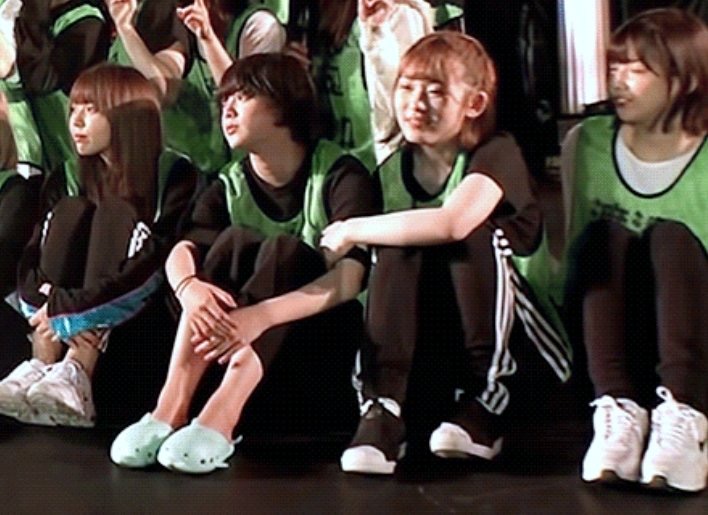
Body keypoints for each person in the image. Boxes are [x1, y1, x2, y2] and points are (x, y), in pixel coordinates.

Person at [110, 52, 379, 474]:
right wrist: (189, 289)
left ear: (285, 104)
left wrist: (260, 316)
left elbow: (349, 280)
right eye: (224, 100)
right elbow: (183, 249)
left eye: (244, 96)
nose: (228, 110)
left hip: (314, 347)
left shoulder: (340, 173)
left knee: (284, 251)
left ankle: (223, 417)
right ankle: (171, 405)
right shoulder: (230, 181)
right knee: (231, 243)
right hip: (227, 343)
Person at [320, 31, 570, 475]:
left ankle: (487, 402)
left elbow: (452, 222)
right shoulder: (389, 170)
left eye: (435, 92)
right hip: (433, 348)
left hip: (518, 350)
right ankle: (383, 408)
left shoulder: (496, 152)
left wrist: (351, 228)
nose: (416, 103)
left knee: (461, 233)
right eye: (407, 88)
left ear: (474, 103)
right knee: (398, 242)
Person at [0, 63, 196, 428]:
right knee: (72, 211)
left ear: (126, 117)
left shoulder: (173, 173)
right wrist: (45, 305)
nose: (75, 121)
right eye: (74, 108)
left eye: (91, 110)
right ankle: (42, 363)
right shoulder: (68, 175)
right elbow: (34, 251)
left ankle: (79, 367)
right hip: (61, 312)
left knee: (113, 214)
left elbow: (151, 265)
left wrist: (70, 309)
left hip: (137, 307)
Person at [561, 8, 708, 493]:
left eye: (637, 70)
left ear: (684, 79)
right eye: (615, 67)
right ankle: (618, 411)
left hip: (694, 337)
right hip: (616, 332)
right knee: (603, 237)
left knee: (671, 237)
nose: (618, 82)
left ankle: (687, 417)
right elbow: (573, 249)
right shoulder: (587, 143)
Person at [107, 0, 284, 174]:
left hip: (243, 170)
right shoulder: (187, 20)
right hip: (198, 164)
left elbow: (245, 99)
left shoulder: (259, 25)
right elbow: (161, 87)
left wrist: (208, 39)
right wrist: (126, 28)